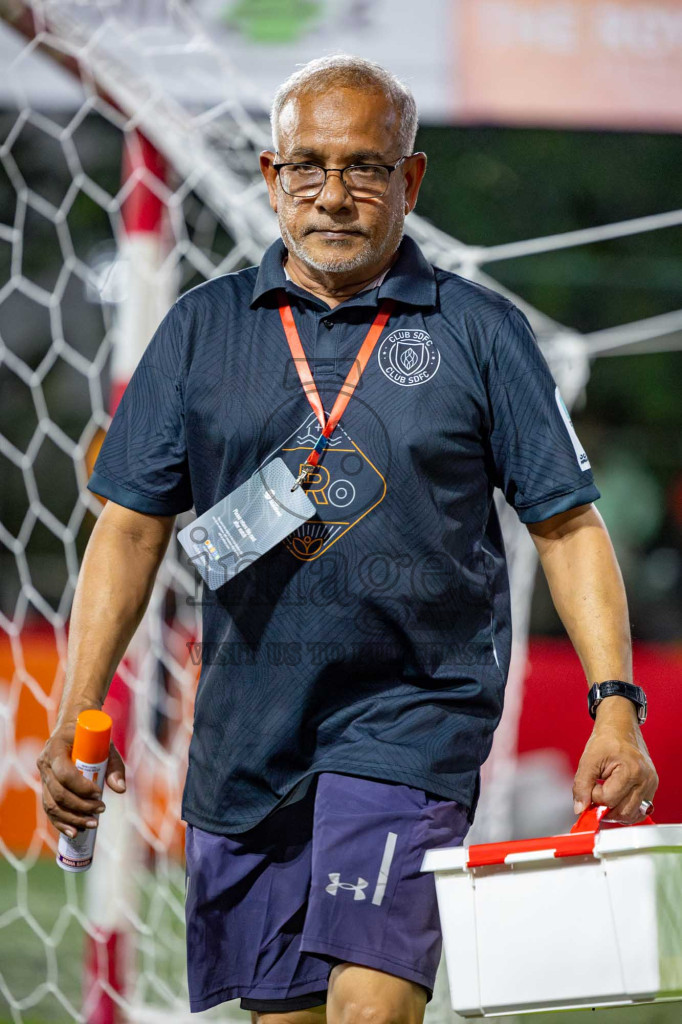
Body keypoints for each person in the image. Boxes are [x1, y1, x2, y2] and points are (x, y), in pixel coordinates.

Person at [38, 56, 658, 1024]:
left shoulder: (480, 333)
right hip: (248, 737)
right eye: (309, 167)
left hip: (413, 721)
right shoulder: (199, 331)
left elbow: (569, 526)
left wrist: (613, 704)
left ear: (409, 180)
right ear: (270, 174)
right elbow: (127, 529)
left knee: (369, 1012)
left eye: (365, 168)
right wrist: (78, 711)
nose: (334, 194)